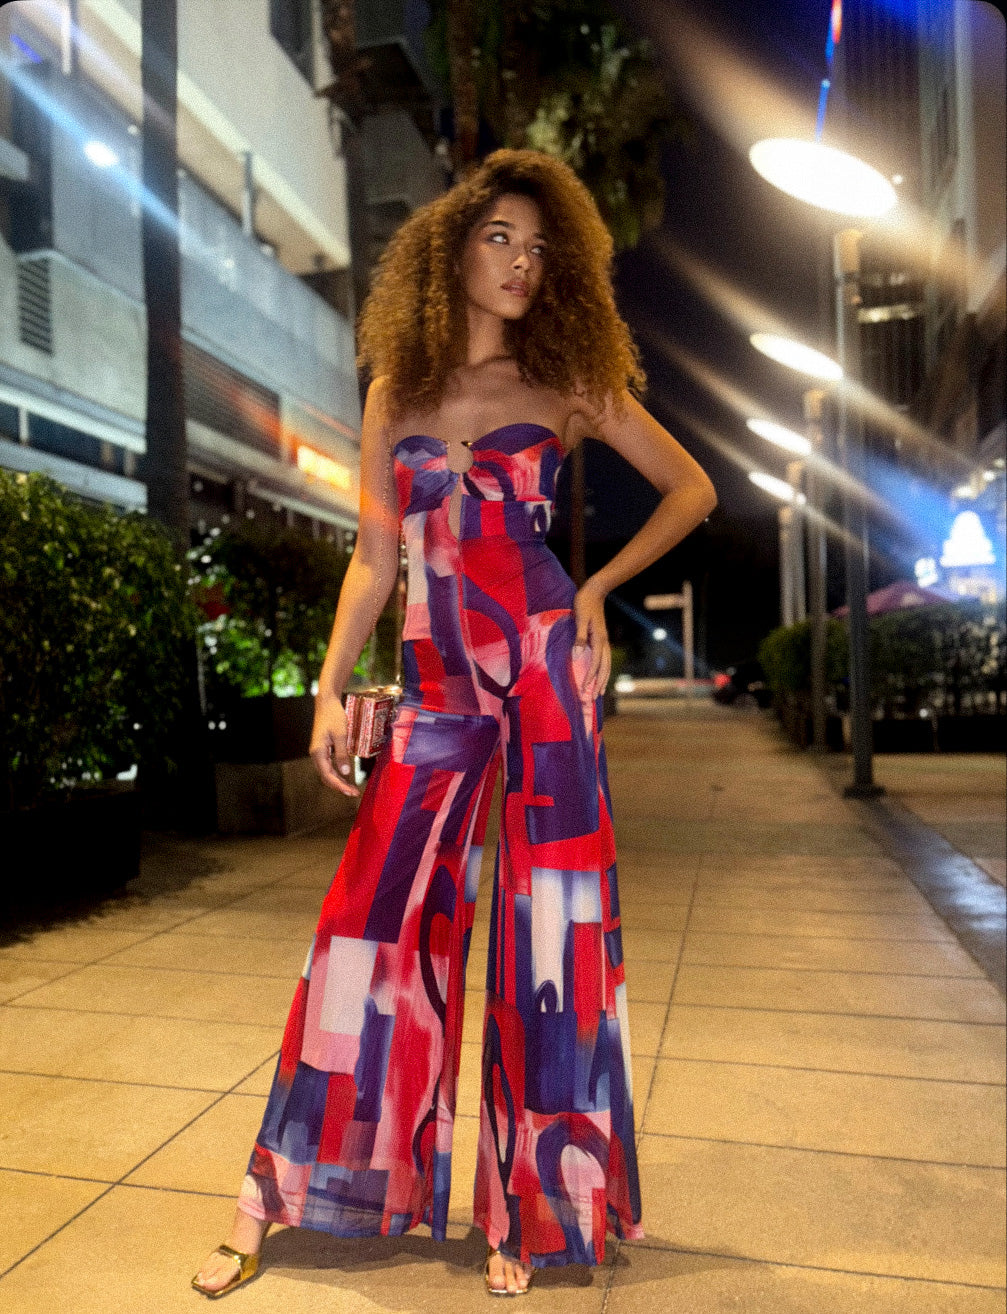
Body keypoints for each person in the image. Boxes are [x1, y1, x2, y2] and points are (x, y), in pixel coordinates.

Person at [193, 147, 717, 1300]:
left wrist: (589, 591)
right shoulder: (399, 391)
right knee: (369, 925)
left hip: (539, 668)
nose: (521, 262)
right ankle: (286, 1189)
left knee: (552, 938)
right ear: (452, 250)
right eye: (499, 240)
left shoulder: (566, 382)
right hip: (432, 683)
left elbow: (692, 489)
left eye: (538, 247)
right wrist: (332, 686)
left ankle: (532, 1210)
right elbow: (375, 559)